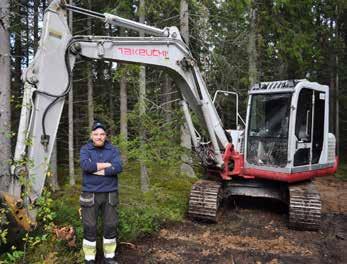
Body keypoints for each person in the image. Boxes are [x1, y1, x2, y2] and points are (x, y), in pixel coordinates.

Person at [79, 122, 123, 264]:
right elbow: (86, 166)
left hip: (110, 193)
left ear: (106, 136)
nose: (99, 137)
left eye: (102, 134)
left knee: (111, 224)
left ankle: (109, 256)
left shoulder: (113, 149)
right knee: (89, 225)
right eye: (96, 134)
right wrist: (107, 165)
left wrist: (95, 169)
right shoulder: (85, 149)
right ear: (92, 135)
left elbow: (118, 167)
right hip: (89, 193)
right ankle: (89, 258)